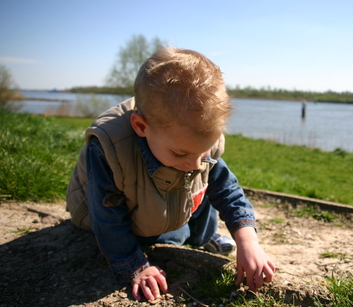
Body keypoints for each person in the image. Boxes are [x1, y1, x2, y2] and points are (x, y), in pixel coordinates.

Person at [66, 47, 275, 301]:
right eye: (180, 153)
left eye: (203, 150)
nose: (194, 163)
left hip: (163, 196)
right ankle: (168, 237)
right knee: (171, 236)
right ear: (141, 127)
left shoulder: (191, 146)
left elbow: (228, 191)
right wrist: (134, 266)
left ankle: (204, 237)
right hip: (105, 211)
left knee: (204, 179)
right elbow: (106, 216)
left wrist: (248, 241)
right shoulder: (108, 147)